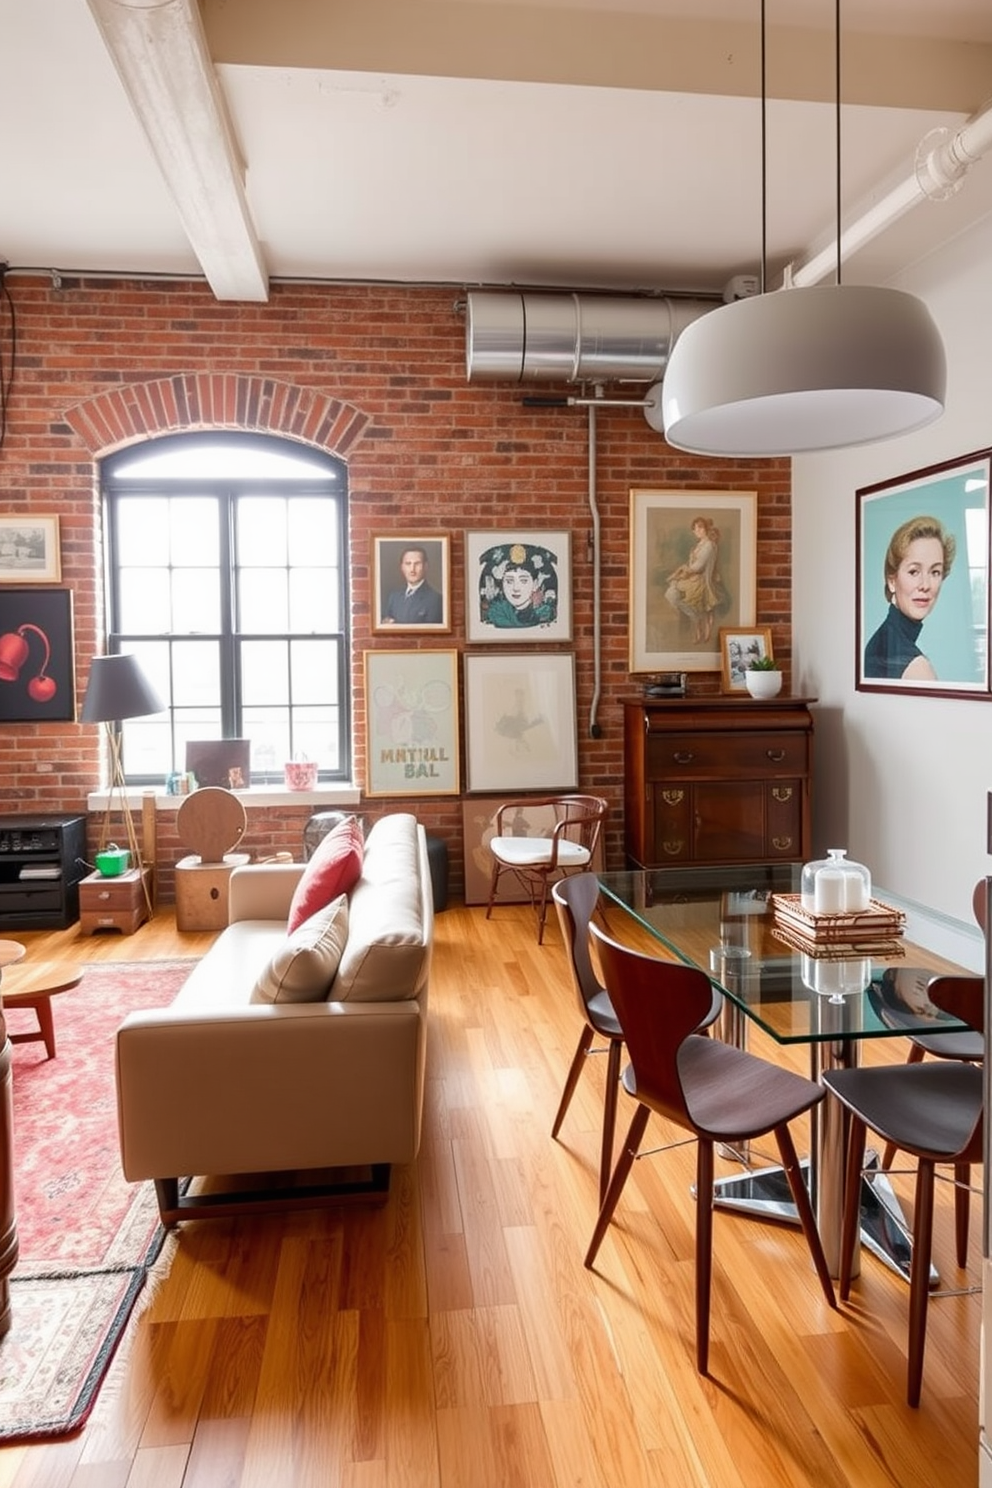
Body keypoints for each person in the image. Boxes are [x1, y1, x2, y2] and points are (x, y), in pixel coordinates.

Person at [863, 515, 955, 681]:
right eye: (914, 571)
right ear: (892, 581)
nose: (925, 585)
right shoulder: (917, 668)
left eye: (935, 572)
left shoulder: (877, 643)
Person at [664, 517, 724, 643]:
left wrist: (680, 573)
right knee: (672, 593)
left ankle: (703, 632)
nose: (696, 530)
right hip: (693, 578)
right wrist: (680, 572)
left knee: (703, 609)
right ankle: (697, 627)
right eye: (695, 528)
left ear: (706, 529)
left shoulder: (709, 545)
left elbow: (698, 567)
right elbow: (691, 564)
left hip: (701, 580)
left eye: (700, 527)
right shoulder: (698, 545)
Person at [477, 542, 558, 629]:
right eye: (509, 581)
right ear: (502, 585)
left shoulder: (544, 611)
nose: (516, 588)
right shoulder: (496, 611)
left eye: (523, 581)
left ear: (535, 584)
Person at [381, 545, 443, 625]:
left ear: (425, 566)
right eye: (408, 564)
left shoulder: (435, 600)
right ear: (402, 567)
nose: (412, 569)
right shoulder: (394, 597)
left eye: (417, 563)